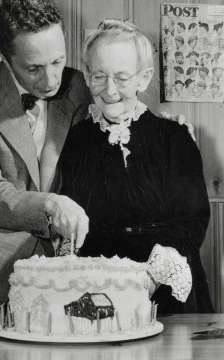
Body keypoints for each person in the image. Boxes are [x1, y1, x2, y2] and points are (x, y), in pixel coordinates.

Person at [0, 0, 193, 314]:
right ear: (4, 57)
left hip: (58, 277)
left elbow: (118, 112)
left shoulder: (78, 85)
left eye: (58, 61)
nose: (51, 80)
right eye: (33, 68)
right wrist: (49, 203)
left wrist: (164, 130)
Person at [58, 19, 214, 314]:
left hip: (165, 287)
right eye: (99, 76)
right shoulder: (77, 140)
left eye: (122, 78)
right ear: (87, 76)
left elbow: (191, 222)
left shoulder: (174, 138)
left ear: (143, 79)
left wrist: (147, 279)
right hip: (100, 287)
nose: (110, 90)